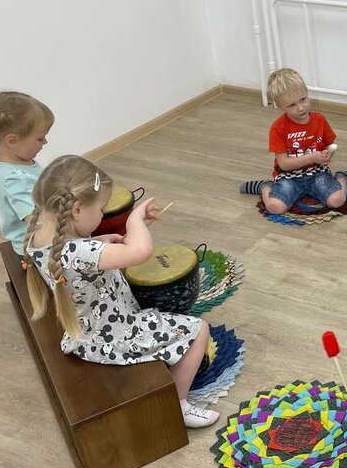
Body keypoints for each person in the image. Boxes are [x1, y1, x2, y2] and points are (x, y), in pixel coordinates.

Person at [23, 154, 219, 428]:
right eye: (102, 209)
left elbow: (77, 254)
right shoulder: (79, 252)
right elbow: (140, 252)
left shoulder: (41, 238)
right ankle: (179, 403)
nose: (103, 214)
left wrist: (100, 240)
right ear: (77, 210)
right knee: (199, 331)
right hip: (113, 336)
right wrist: (135, 220)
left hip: (87, 328)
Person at [241, 68, 347, 213]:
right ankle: (265, 187)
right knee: (275, 208)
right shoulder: (278, 128)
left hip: (318, 174)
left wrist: (328, 153)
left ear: (307, 93)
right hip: (288, 178)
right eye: (292, 105)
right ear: (279, 106)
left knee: (337, 201)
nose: (301, 108)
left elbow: (330, 144)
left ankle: (342, 178)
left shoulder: (319, 119)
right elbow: (283, 164)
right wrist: (312, 157)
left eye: (303, 99)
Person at [0, 91, 54, 253]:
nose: (45, 142)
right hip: (36, 247)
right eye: (40, 138)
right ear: (12, 140)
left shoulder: (9, 162)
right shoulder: (15, 178)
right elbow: (38, 223)